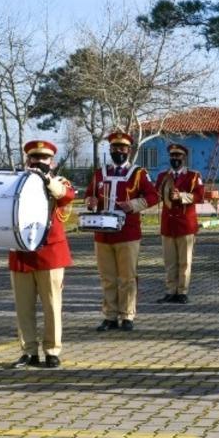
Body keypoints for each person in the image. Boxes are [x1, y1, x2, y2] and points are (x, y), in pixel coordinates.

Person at [7, 140, 74, 369]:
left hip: (50, 253)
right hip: (21, 253)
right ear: (28, 160)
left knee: (52, 305)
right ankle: (28, 351)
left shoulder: (59, 181)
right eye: (34, 158)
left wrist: (46, 180)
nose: (39, 162)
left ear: (52, 162)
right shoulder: (17, 183)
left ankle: (52, 350)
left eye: (44, 159)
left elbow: (66, 196)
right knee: (23, 307)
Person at [84, 130, 159, 332]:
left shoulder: (138, 173)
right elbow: (89, 195)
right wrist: (90, 202)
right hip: (102, 234)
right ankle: (109, 316)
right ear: (110, 150)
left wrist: (133, 204)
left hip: (128, 233)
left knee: (127, 276)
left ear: (129, 150)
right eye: (115, 148)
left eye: (122, 148)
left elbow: (153, 196)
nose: (119, 151)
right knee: (107, 277)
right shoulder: (100, 173)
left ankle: (127, 314)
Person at [156, 143, 204, 304]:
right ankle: (170, 291)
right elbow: (156, 194)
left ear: (184, 158)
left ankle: (182, 291)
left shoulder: (193, 176)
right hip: (168, 224)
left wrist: (182, 196)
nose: (175, 159)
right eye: (173, 156)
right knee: (169, 261)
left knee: (185, 261)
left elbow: (199, 196)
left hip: (185, 224)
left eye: (178, 156)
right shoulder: (163, 176)